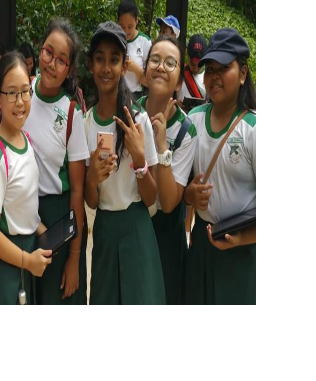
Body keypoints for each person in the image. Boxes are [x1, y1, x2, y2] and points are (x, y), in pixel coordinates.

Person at [84, 21, 164, 304]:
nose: (107, 68)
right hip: (105, 229)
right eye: (100, 59)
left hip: (136, 227)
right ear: (90, 65)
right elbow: (91, 202)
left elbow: (151, 198)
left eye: (114, 60)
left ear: (123, 65)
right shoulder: (86, 124)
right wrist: (92, 178)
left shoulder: (138, 120)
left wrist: (140, 160)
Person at [183, 27, 256, 305]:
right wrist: (189, 195)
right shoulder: (194, 119)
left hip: (242, 251)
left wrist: (242, 239)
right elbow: (179, 184)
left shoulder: (253, 130)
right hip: (202, 246)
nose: (213, 77)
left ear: (243, 73)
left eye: (223, 68)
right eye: (209, 69)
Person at [23, 18, 90, 305]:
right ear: (40, 50)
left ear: (70, 69)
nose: (51, 63)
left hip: (59, 223)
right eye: (48, 52)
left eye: (61, 60)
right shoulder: (21, 94)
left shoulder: (71, 112)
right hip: (22, 215)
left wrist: (74, 259)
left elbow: (77, 191)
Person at [0, 51, 52, 304]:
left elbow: (23, 205)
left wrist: (44, 231)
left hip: (27, 258)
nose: (20, 101)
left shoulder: (25, 141)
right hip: (9, 268)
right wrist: (27, 260)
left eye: (25, 91)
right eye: (11, 93)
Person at [138, 35, 197, 304]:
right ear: (146, 71)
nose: (161, 67)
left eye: (170, 63)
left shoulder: (186, 130)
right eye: (155, 60)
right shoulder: (130, 111)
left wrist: (162, 145)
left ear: (179, 82)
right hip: (134, 224)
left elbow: (171, 202)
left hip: (166, 233)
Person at [117, 0, 152, 98]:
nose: (126, 31)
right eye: (122, 27)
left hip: (136, 96)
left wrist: (135, 69)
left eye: (130, 26)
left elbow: (150, 82)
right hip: (116, 94)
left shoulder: (145, 42)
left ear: (137, 20)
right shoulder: (115, 40)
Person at [178, 34, 208, 111]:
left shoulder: (208, 76)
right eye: (192, 64)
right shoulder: (179, 73)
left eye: (199, 65)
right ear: (187, 56)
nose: (195, 68)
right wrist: (176, 103)